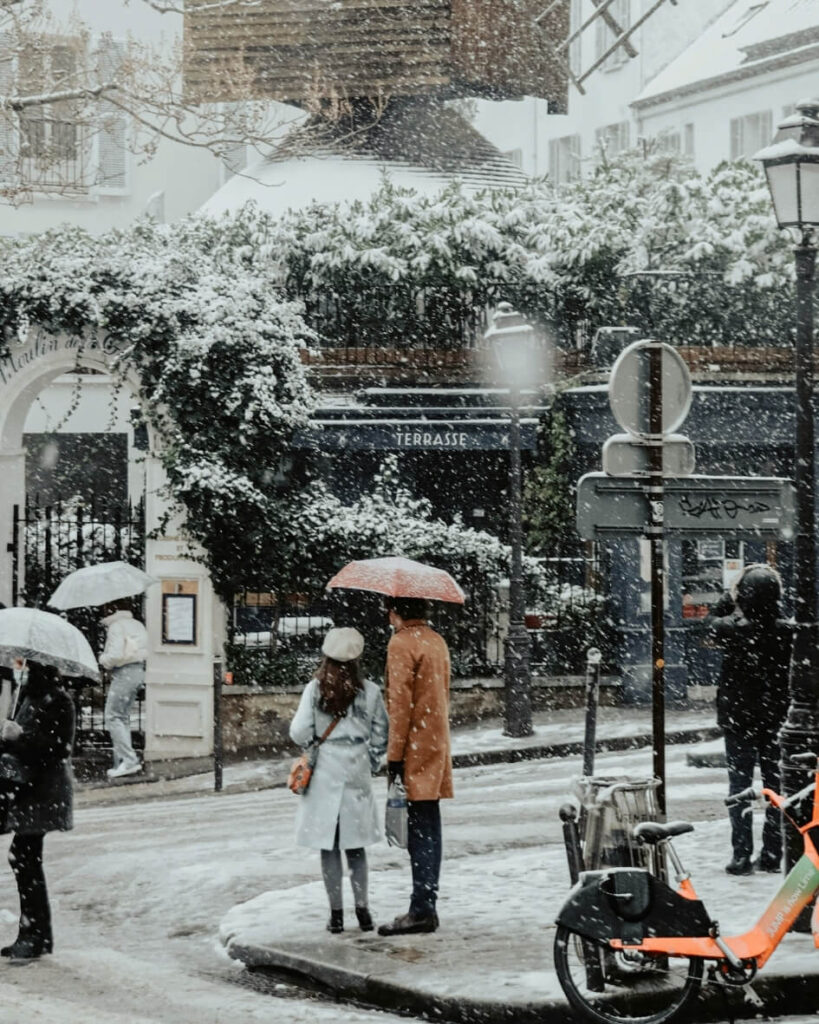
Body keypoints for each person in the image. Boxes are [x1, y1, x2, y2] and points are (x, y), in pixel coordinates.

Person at [290, 627, 388, 934]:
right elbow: (382, 734)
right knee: (356, 846)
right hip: (356, 767)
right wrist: (369, 759)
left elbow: (299, 732)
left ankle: (335, 914)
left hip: (325, 771)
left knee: (329, 846)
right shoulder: (370, 691)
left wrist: (316, 743)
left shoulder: (315, 689)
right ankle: (363, 910)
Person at [705, 563, 794, 876]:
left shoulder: (732, 628)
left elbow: (709, 622)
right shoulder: (786, 630)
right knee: (776, 787)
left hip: (739, 717)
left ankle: (741, 855)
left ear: (745, 596)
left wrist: (730, 597)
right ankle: (772, 853)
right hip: (775, 718)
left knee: (739, 786)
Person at [378, 597, 453, 936]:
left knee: (419, 831)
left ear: (395, 612)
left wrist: (394, 757)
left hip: (414, 746)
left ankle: (421, 908)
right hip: (435, 740)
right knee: (430, 827)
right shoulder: (435, 641)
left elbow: (400, 706)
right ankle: (427, 901)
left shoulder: (401, 643)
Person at [0, 658, 75, 960]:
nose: (25, 671)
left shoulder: (58, 701)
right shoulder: (27, 696)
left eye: (29, 667)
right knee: (24, 858)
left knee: (24, 857)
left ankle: (34, 935)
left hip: (44, 790)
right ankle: (37, 934)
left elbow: (56, 748)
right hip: (29, 788)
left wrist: (20, 737)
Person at [100, 599, 148, 779]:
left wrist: (102, 659)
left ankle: (128, 760)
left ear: (111, 608)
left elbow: (115, 655)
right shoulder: (137, 625)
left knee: (112, 716)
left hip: (124, 673)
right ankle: (122, 761)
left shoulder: (116, 627)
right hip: (137, 671)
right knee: (122, 717)